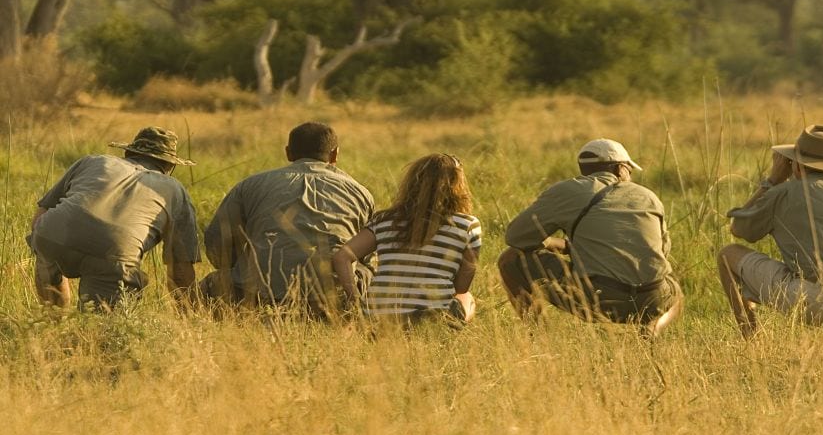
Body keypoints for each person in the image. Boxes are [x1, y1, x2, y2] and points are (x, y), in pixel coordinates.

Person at [718, 124, 823, 338]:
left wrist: (772, 181)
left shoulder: (784, 193)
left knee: (727, 255)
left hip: (816, 302)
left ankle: (752, 339)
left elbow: (738, 228)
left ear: (796, 165)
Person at [498, 138, 682, 336]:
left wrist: (552, 243)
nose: (630, 175)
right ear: (620, 168)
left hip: (597, 301)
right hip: (653, 300)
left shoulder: (567, 191)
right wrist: (568, 246)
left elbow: (516, 237)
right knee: (675, 292)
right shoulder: (648, 196)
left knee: (510, 259)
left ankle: (537, 336)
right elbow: (662, 252)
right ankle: (652, 328)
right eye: (630, 169)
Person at [201, 122, 374, 318]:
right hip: (334, 297)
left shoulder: (250, 185)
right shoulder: (360, 192)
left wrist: (243, 265)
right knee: (368, 271)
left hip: (256, 295)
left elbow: (217, 244)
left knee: (206, 288)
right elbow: (363, 255)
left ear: (288, 153)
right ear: (335, 155)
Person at [28, 126, 201, 310]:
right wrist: (190, 319)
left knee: (47, 246)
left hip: (52, 233)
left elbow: (41, 216)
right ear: (170, 166)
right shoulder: (175, 190)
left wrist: (45, 248)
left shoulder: (94, 161)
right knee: (100, 327)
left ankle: (53, 323)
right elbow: (180, 272)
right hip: (114, 251)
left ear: (128, 152)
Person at [331, 153, 481, 326]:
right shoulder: (468, 225)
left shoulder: (384, 219)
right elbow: (461, 287)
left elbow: (342, 257)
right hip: (431, 320)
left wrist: (355, 303)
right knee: (466, 298)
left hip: (377, 319)